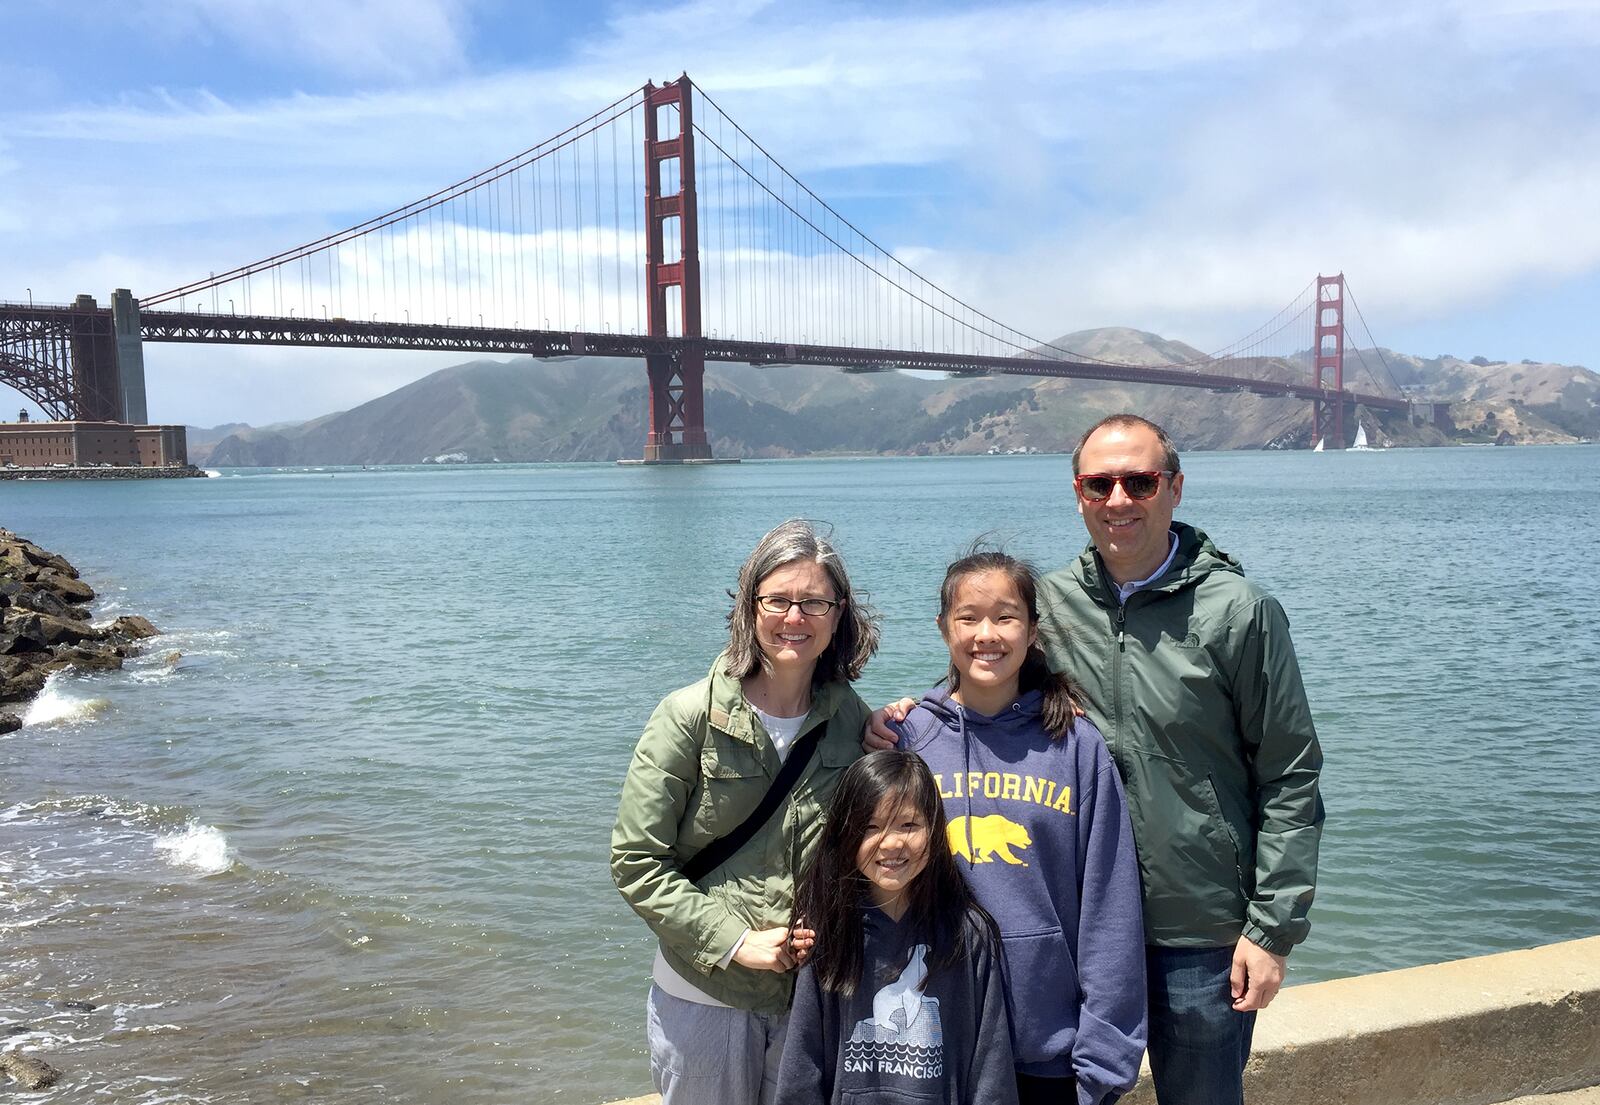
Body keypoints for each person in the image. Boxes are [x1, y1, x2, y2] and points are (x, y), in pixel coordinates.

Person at [869, 414, 1324, 1105]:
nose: (1119, 499)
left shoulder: (1240, 612)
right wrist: (905, 720)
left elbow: (1290, 775)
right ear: (1078, 493)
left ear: (1174, 487)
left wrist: (1272, 928)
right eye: (1099, 482)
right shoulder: (1047, 603)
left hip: (1194, 931)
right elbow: (983, 681)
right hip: (1067, 930)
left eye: (1139, 481)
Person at [611, 519, 878, 1105]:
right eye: (778, 600)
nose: (795, 617)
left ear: (839, 616)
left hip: (810, 999)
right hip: (706, 998)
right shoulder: (688, 717)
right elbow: (636, 863)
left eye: (814, 602)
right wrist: (735, 940)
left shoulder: (854, 722)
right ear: (749, 608)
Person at [891, 549, 1147, 1105]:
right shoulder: (909, 741)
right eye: (968, 617)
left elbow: (1109, 903)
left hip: (1047, 1051)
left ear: (1033, 631)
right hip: (931, 1043)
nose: (987, 634)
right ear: (943, 628)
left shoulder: (1075, 745)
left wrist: (1105, 1058)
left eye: (1006, 617)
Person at [774, 750, 1020, 1105]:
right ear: (846, 834)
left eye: (908, 825)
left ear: (935, 831)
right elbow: (803, 1063)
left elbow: (991, 1066)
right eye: (871, 827)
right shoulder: (829, 931)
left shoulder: (968, 933)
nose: (891, 843)